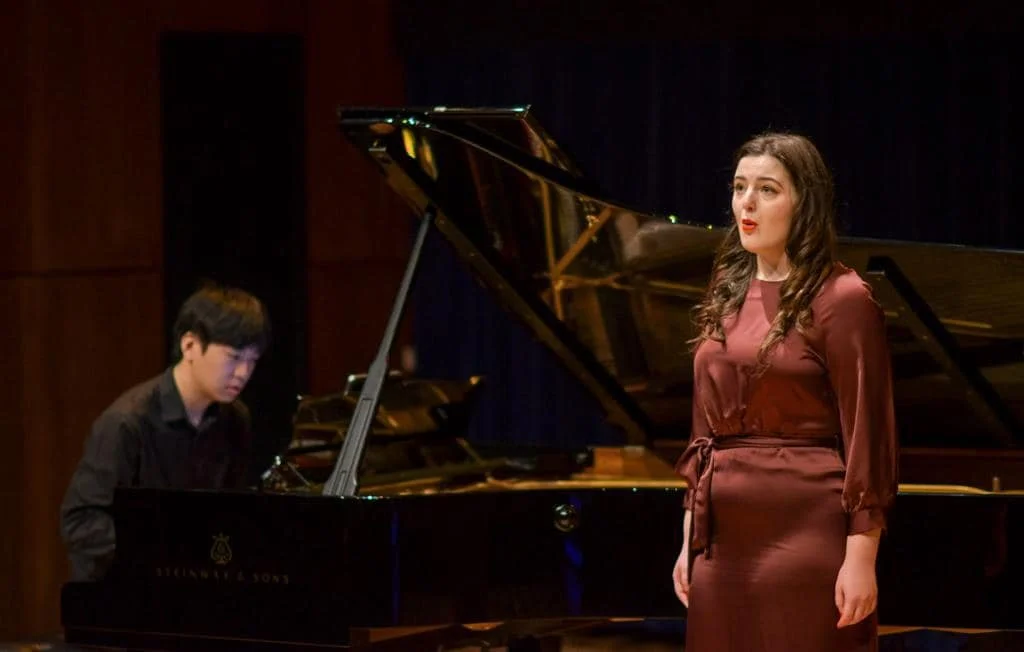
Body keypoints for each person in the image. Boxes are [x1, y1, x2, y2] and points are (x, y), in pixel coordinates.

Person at [671, 132, 898, 651]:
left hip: (804, 529)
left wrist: (861, 558)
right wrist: (689, 537)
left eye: (767, 189)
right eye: (739, 187)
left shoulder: (843, 298)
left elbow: (868, 432)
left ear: (805, 202)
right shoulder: (726, 289)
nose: (746, 203)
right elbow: (701, 432)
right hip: (720, 541)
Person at [60, 283, 271, 581]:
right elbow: (81, 523)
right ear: (190, 346)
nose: (243, 373)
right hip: (122, 592)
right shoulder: (126, 423)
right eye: (234, 357)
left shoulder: (235, 419)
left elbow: (228, 513)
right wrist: (167, 551)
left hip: (192, 585)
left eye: (252, 361)